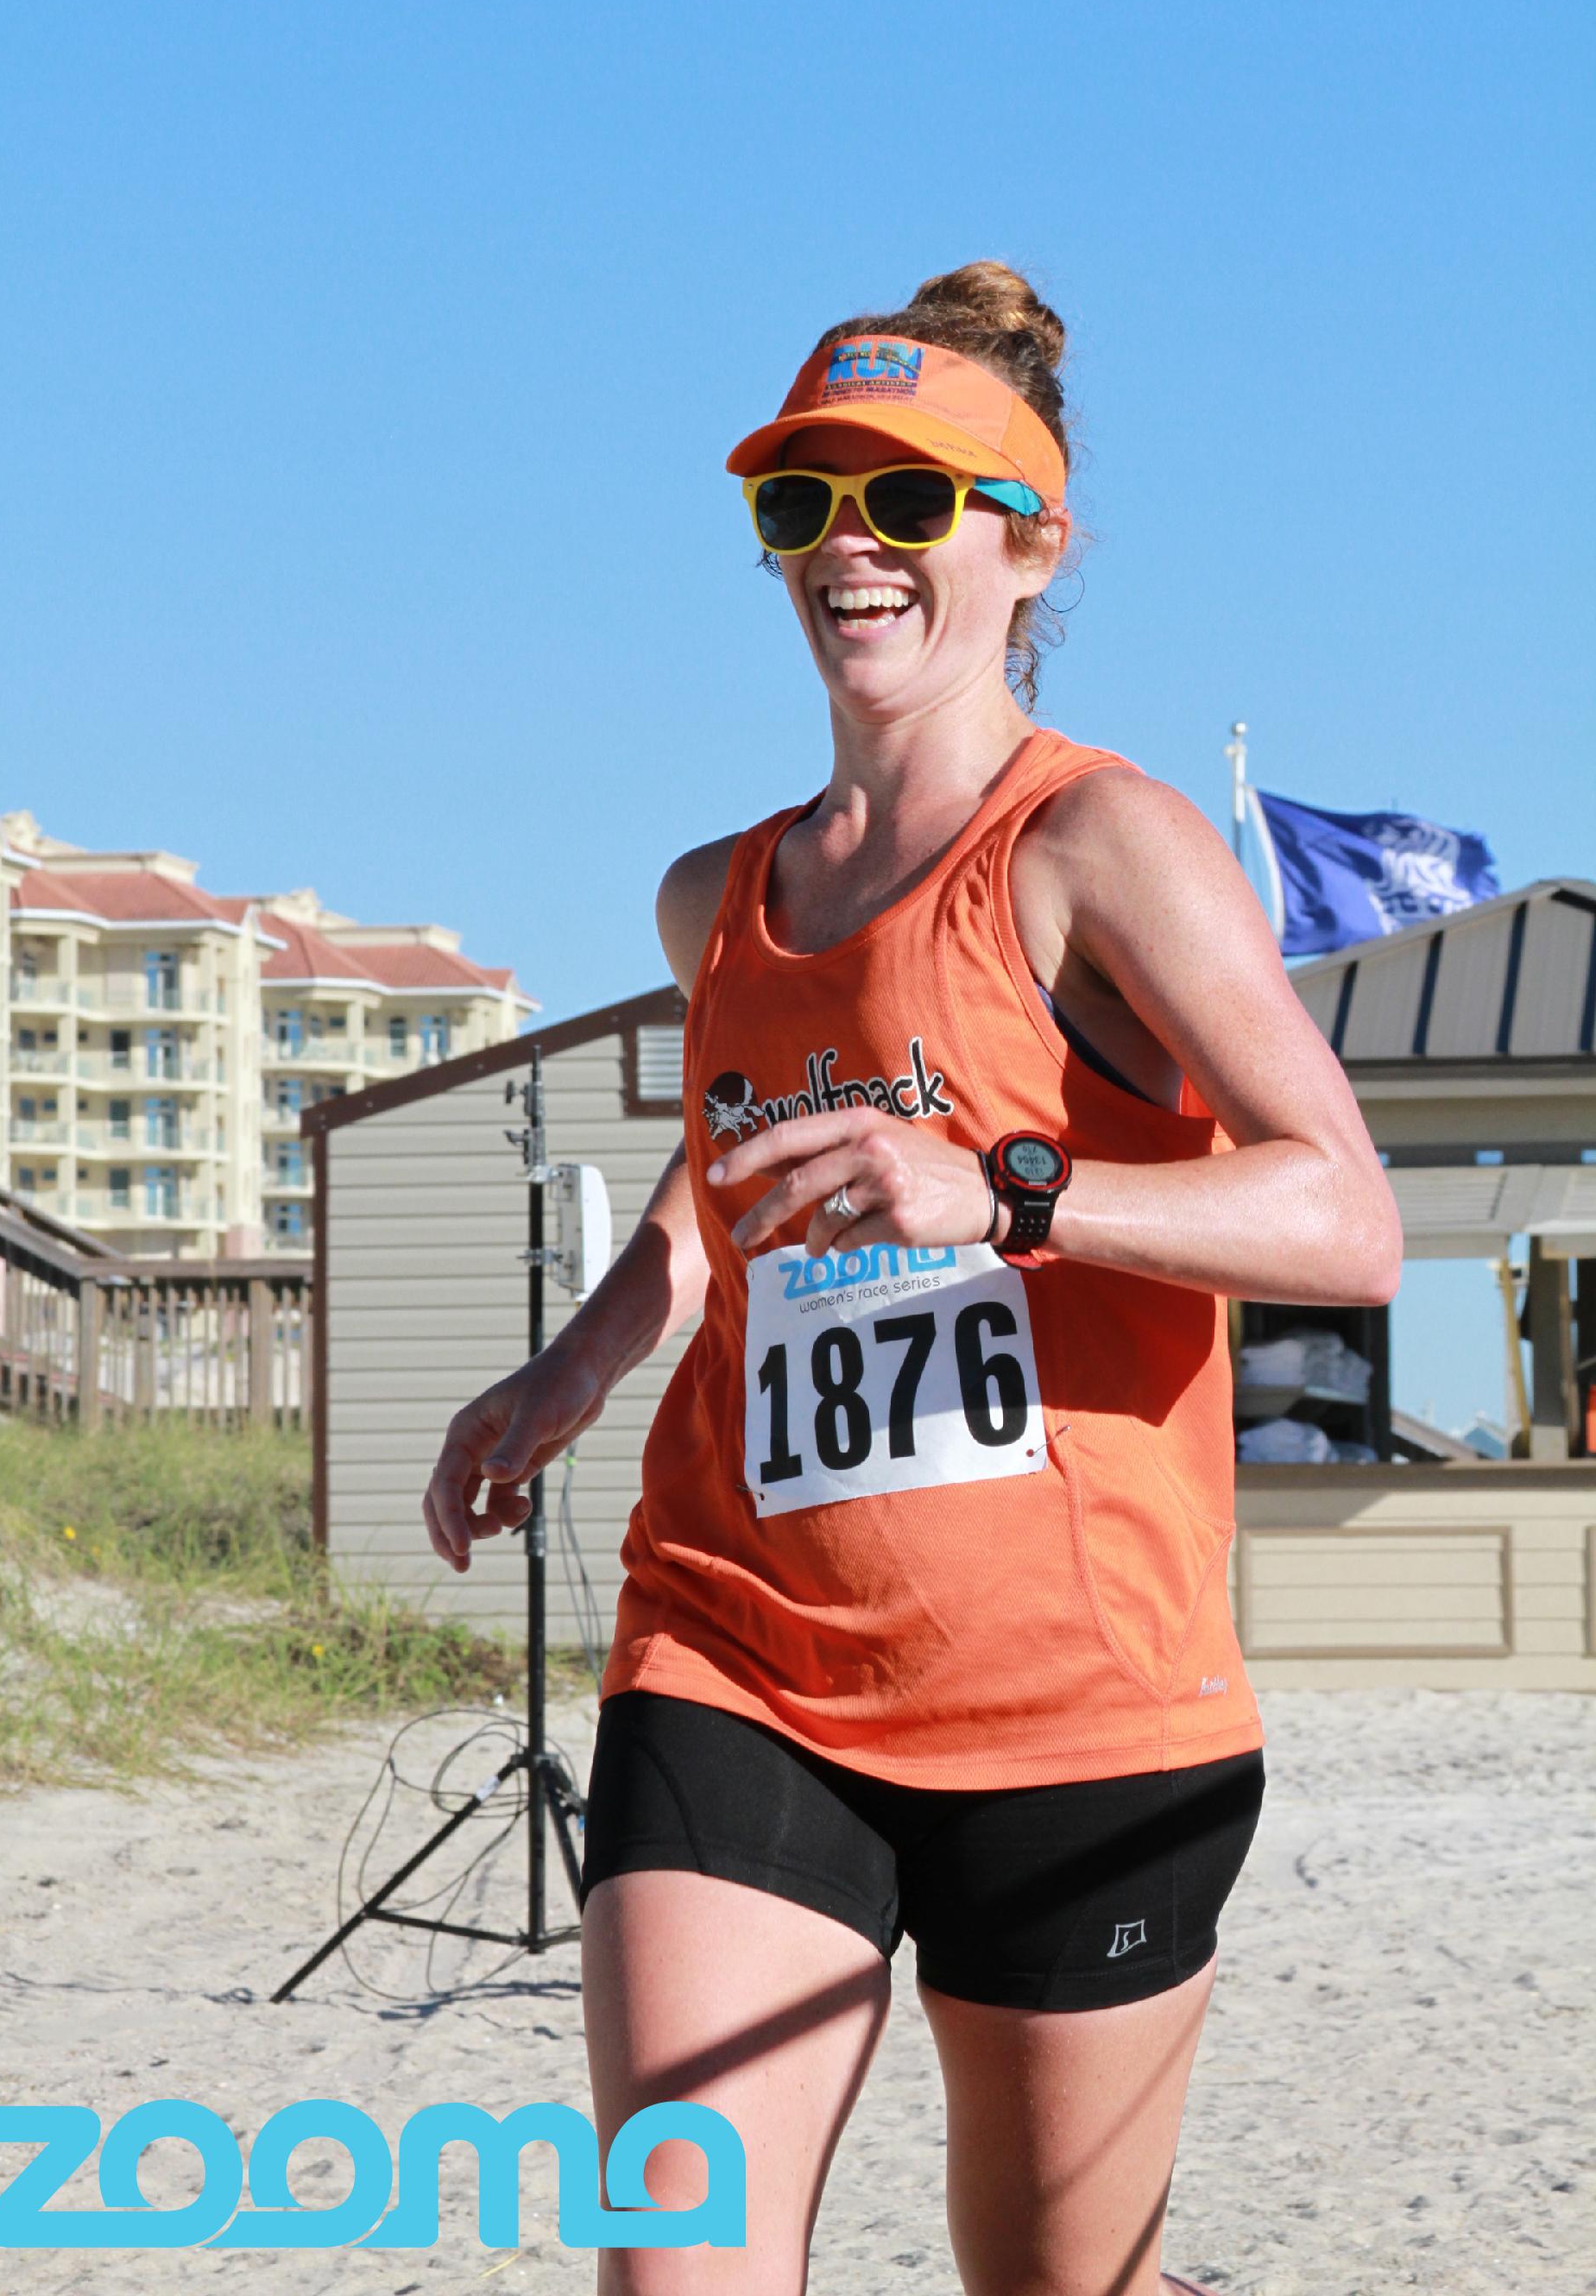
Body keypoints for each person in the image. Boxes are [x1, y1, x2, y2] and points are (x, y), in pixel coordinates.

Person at [425, 261, 1403, 2296]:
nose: (848, 550)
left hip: (1080, 1714)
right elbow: (720, 1196)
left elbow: (1345, 1220)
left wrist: (1012, 1195)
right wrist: (573, 1369)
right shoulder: (721, 898)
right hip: (739, 1658)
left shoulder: (1104, 845)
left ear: (1028, 539)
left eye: (907, 501)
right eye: (802, 506)